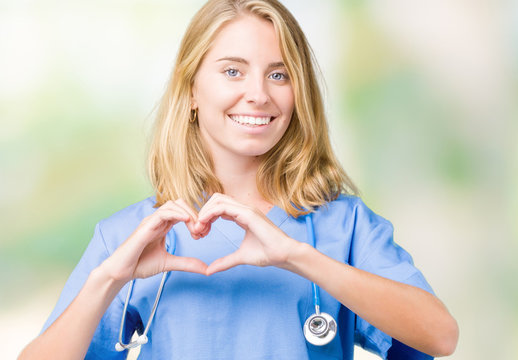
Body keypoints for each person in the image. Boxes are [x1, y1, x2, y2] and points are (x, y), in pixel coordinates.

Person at [19, 0, 458, 359]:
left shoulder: (343, 228)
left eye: (279, 74)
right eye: (233, 71)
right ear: (191, 90)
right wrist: (108, 279)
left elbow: (440, 337)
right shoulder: (131, 237)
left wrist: (299, 257)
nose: (259, 93)